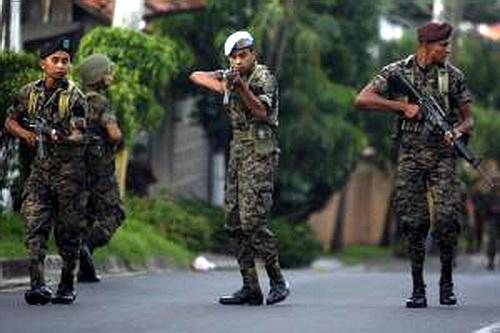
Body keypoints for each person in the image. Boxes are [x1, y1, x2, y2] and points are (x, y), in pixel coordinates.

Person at [354, 22, 473, 308]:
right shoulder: (397, 72)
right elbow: (362, 99)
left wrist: (458, 131)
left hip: (443, 156)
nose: (448, 49)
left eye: (448, 44)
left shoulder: (453, 77)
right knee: (414, 222)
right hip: (409, 156)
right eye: (443, 45)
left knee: (447, 219)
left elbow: (469, 118)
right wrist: (402, 107)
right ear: (426, 45)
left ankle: (446, 282)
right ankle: (418, 288)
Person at [189, 31, 289, 305]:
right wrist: (224, 81)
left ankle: (278, 281)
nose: (238, 61)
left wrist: (241, 87)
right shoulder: (231, 76)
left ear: (253, 54)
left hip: (260, 152)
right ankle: (250, 287)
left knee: (253, 221)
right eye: (233, 57)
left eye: (242, 56)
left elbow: (261, 112)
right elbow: (196, 76)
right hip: (238, 153)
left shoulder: (262, 78)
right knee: (233, 222)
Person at [4, 38, 88, 305]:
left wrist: (57, 136)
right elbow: (9, 120)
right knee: (35, 227)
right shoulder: (28, 93)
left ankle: (66, 284)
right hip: (40, 174)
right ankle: (37, 285)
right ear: (43, 64)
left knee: (68, 232)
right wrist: (27, 134)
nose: (61, 66)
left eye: (65, 61)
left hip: (69, 175)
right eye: (55, 60)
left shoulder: (74, 97)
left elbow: (79, 133)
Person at [77, 53, 125, 282]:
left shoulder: (75, 100)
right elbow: (113, 134)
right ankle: (87, 245)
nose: (110, 75)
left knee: (86, 215)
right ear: (98, 76)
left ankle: (83, 268)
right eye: (107, 71)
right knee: (114, 213)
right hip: (101, 169)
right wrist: (118, 139)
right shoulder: (101, 102)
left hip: (78, 167)